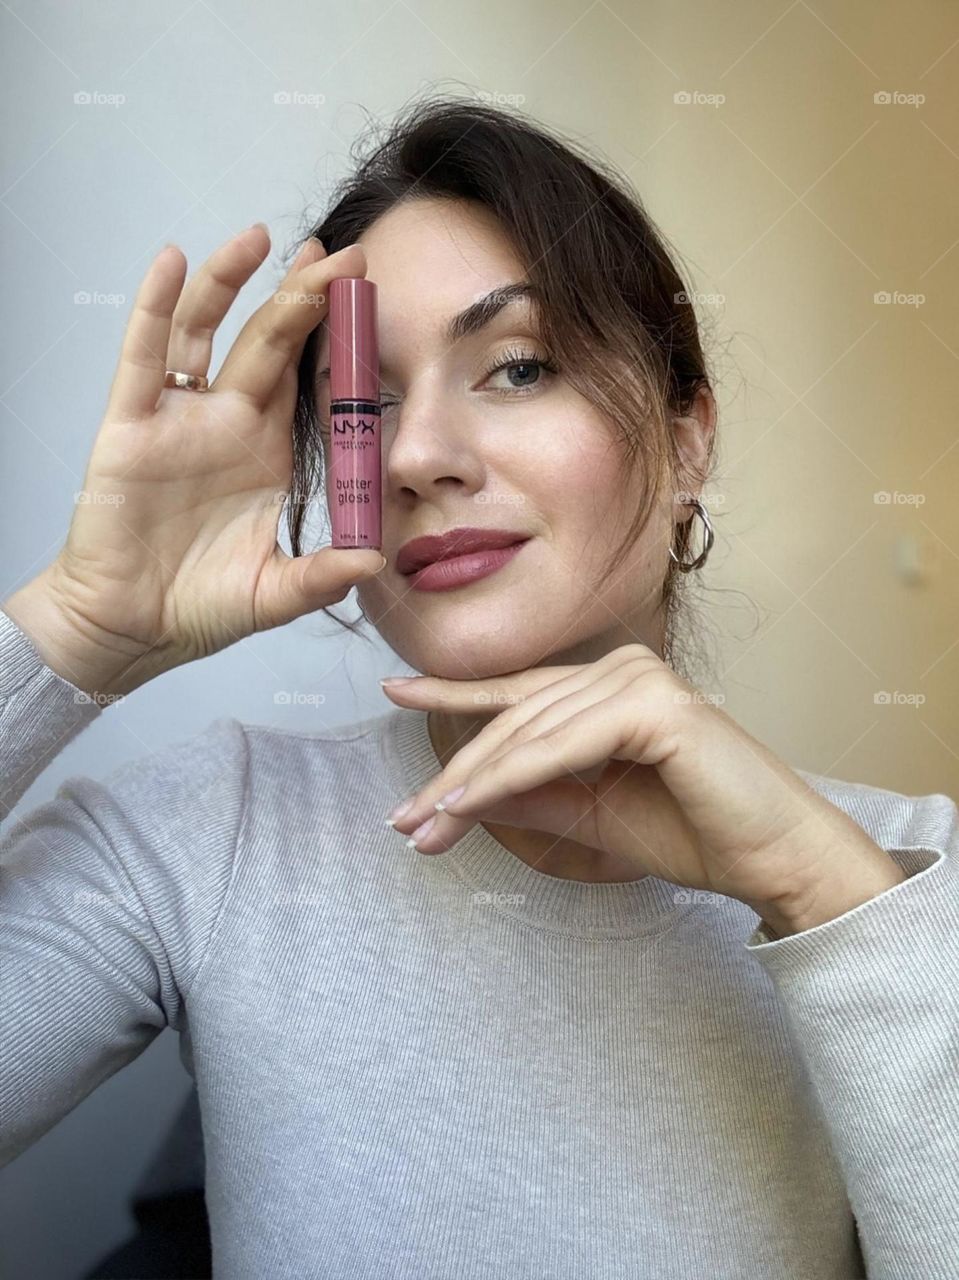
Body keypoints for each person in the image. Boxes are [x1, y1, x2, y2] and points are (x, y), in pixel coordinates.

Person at [2, 95, 957, 1280]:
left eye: (514, 366)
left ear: (687, 438)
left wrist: (817, 893)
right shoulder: (211, 829)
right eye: (363, 402)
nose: (414, 456)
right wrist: (70, 633)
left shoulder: (905, 879)